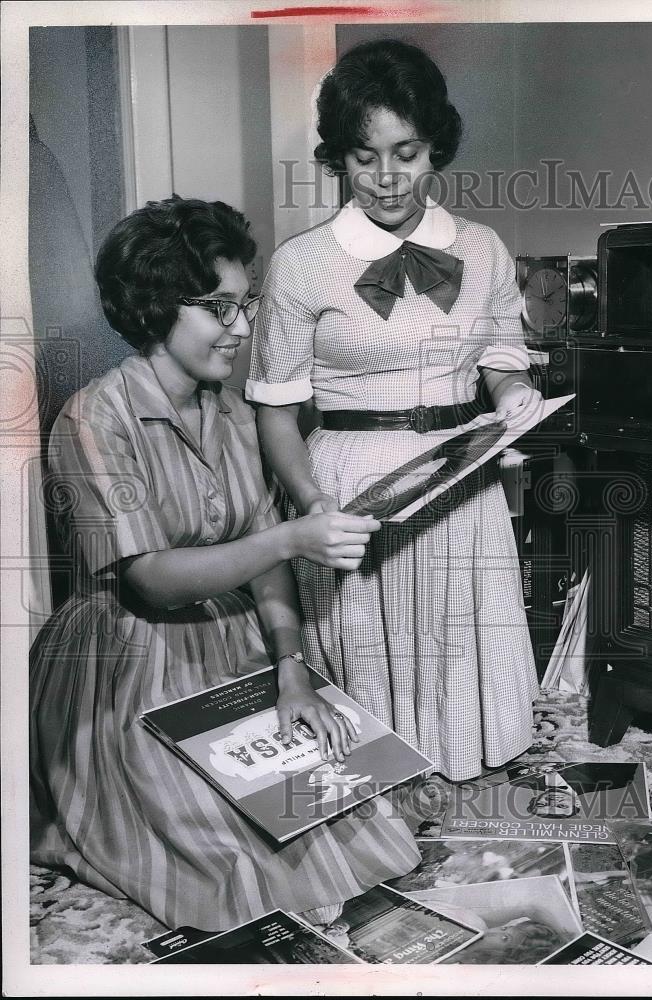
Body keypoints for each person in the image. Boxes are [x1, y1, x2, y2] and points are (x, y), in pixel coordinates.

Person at [29, 196, 420, 933]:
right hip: (123, 657)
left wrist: (292, 668)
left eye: (246, 305)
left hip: (227, 642)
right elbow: (148, 581)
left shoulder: (235, 413)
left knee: (356, 814)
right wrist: (288, 542)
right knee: (220, 848)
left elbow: (264, 552)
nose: (242, 329)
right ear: (152, 305)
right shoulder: (92, 419)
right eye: (217, 308)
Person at [248, 39, 542, 782]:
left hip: (462, 473)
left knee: (456, 645)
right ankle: (374, 794)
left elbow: (501, 354)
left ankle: (465, 769)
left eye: (405, 154)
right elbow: (276, 413)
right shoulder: (300, 263)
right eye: (362, 156)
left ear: (434, 146)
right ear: (338, 158)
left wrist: (511, 398)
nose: (385, 178)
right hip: (351, 483)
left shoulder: (482, 248)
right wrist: (316, 506)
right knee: (370, 655)